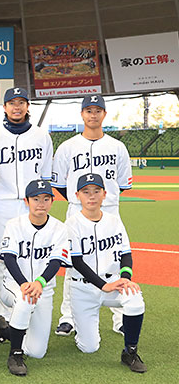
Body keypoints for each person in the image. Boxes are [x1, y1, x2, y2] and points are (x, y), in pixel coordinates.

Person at [52, 95, 132, 336]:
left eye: (98, 110)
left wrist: (99, 202)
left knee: (114, 260)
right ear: (82, 114)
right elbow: (59, 183)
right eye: (89, 110)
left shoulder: (117, 147)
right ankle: (69, 317)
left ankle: (121, 316)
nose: (93, 114)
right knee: (73, 262)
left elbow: (123, 183)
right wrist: (82, 202)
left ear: (104, 114)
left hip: (108, 210)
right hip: (76, 210)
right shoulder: (67, 147)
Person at [0, 87, 53, 344]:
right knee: (2, 259)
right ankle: (1, 316)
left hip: (32, 203)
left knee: (31, 257)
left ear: (27, 106)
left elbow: (45, 176)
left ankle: (27, 312)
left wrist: (40, 203)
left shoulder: (42, 136)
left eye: (21, 102)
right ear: (4, 107)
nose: (17, 107)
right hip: (1, 203)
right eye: (12, 103)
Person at [65, 174, 146, 373]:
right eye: (86, 192)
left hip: (113, 284)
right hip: (83, 287)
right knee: (89, 348)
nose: (91, 196)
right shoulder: (71, 224)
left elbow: (126, 253)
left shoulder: (114, 221)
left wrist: (125, 279)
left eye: (96, 191)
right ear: (77, 195)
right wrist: (103, 285)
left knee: (135, 299)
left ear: (104, 194)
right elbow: (76, 261)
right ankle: (81, 328)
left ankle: (130, 351)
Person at [0, 180, 69, 376]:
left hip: (43, 288)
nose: (41, 203)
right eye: (36, 199)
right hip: (14, 285)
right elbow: (9, 259)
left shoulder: (59, 228)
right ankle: (15, 354)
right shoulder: (14, 225)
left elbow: (56, 262)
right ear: (26, 201)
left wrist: (39, 283)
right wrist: (24, 284)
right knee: (25, 301)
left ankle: (4, 330)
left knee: (37, 352)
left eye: (46, 199)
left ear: (52, 201)